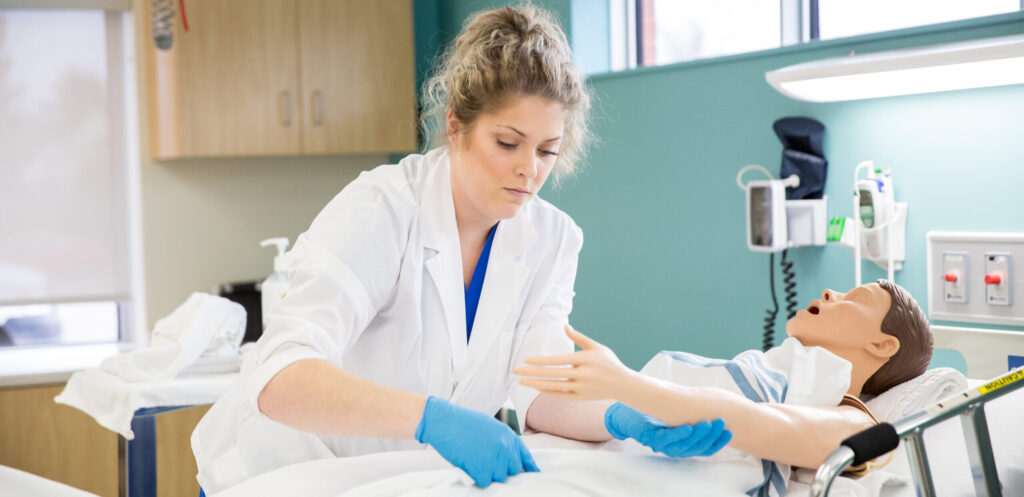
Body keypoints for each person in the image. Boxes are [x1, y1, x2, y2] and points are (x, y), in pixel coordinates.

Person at [191, 6, 725, 494]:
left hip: (411, 480)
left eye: (547, 151)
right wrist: (431, 418)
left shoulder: (554, 239)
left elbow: (539, 392)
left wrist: (621, 416)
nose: (530, 170)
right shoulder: (382, 209)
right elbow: (280, 375)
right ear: (455, 125)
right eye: (508, 143)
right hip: (293, 472)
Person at [516, 279, 933, 472]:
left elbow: (756, 425)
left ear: (882, 345)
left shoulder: (859, 423)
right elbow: (536, 411)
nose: (829, 293)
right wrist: (616, 410)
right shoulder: (762, 368)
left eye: (855, 298)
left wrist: (627, 385)